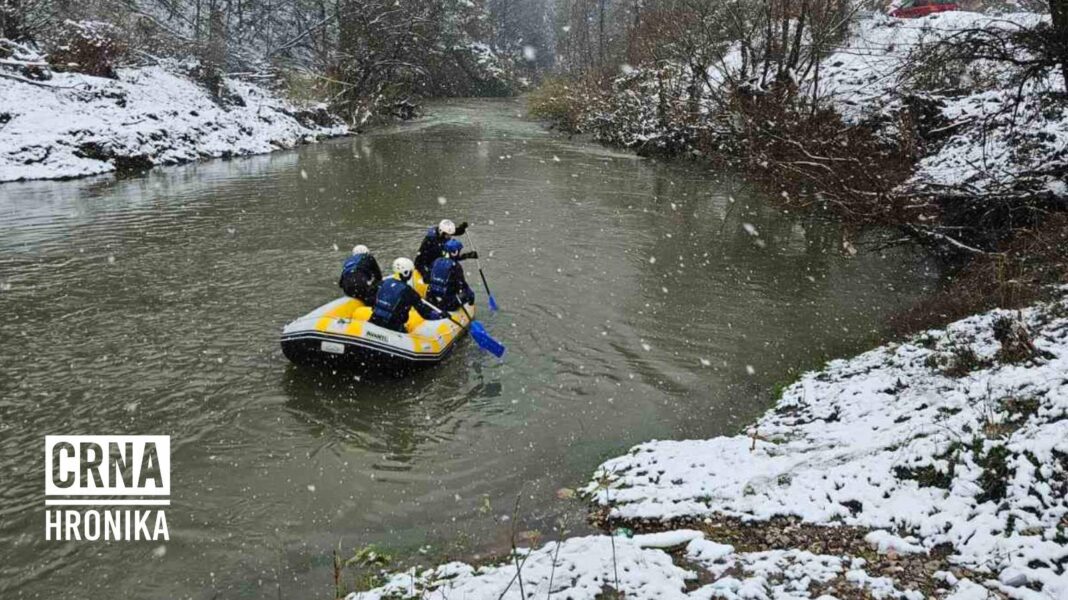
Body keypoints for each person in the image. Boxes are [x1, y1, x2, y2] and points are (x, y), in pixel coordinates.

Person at [370, 257, 443, 332]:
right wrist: (440, 315)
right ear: (406, 273)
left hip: (374, 320)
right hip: (393, 327)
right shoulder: (408, 291)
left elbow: (370, 296)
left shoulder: (382, 283)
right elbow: (424, 312)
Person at [414, 219, 478, 278]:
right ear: (441, 232)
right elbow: (418, 262)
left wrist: (462, 229)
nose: (449, 238)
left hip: (439, 262)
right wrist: (426, 275)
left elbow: (454, 232)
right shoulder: (430, 242)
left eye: (450, 235)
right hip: (430, 265)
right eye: (448, 235)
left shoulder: (443, 234)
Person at [427, 239, 475, 312]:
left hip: (431, 299)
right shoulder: (456, 267)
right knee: (469, 293)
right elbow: (462, 285)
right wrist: (471, 297)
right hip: (447, 303)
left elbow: (428, 277)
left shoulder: (436, 261)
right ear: (455, 252)